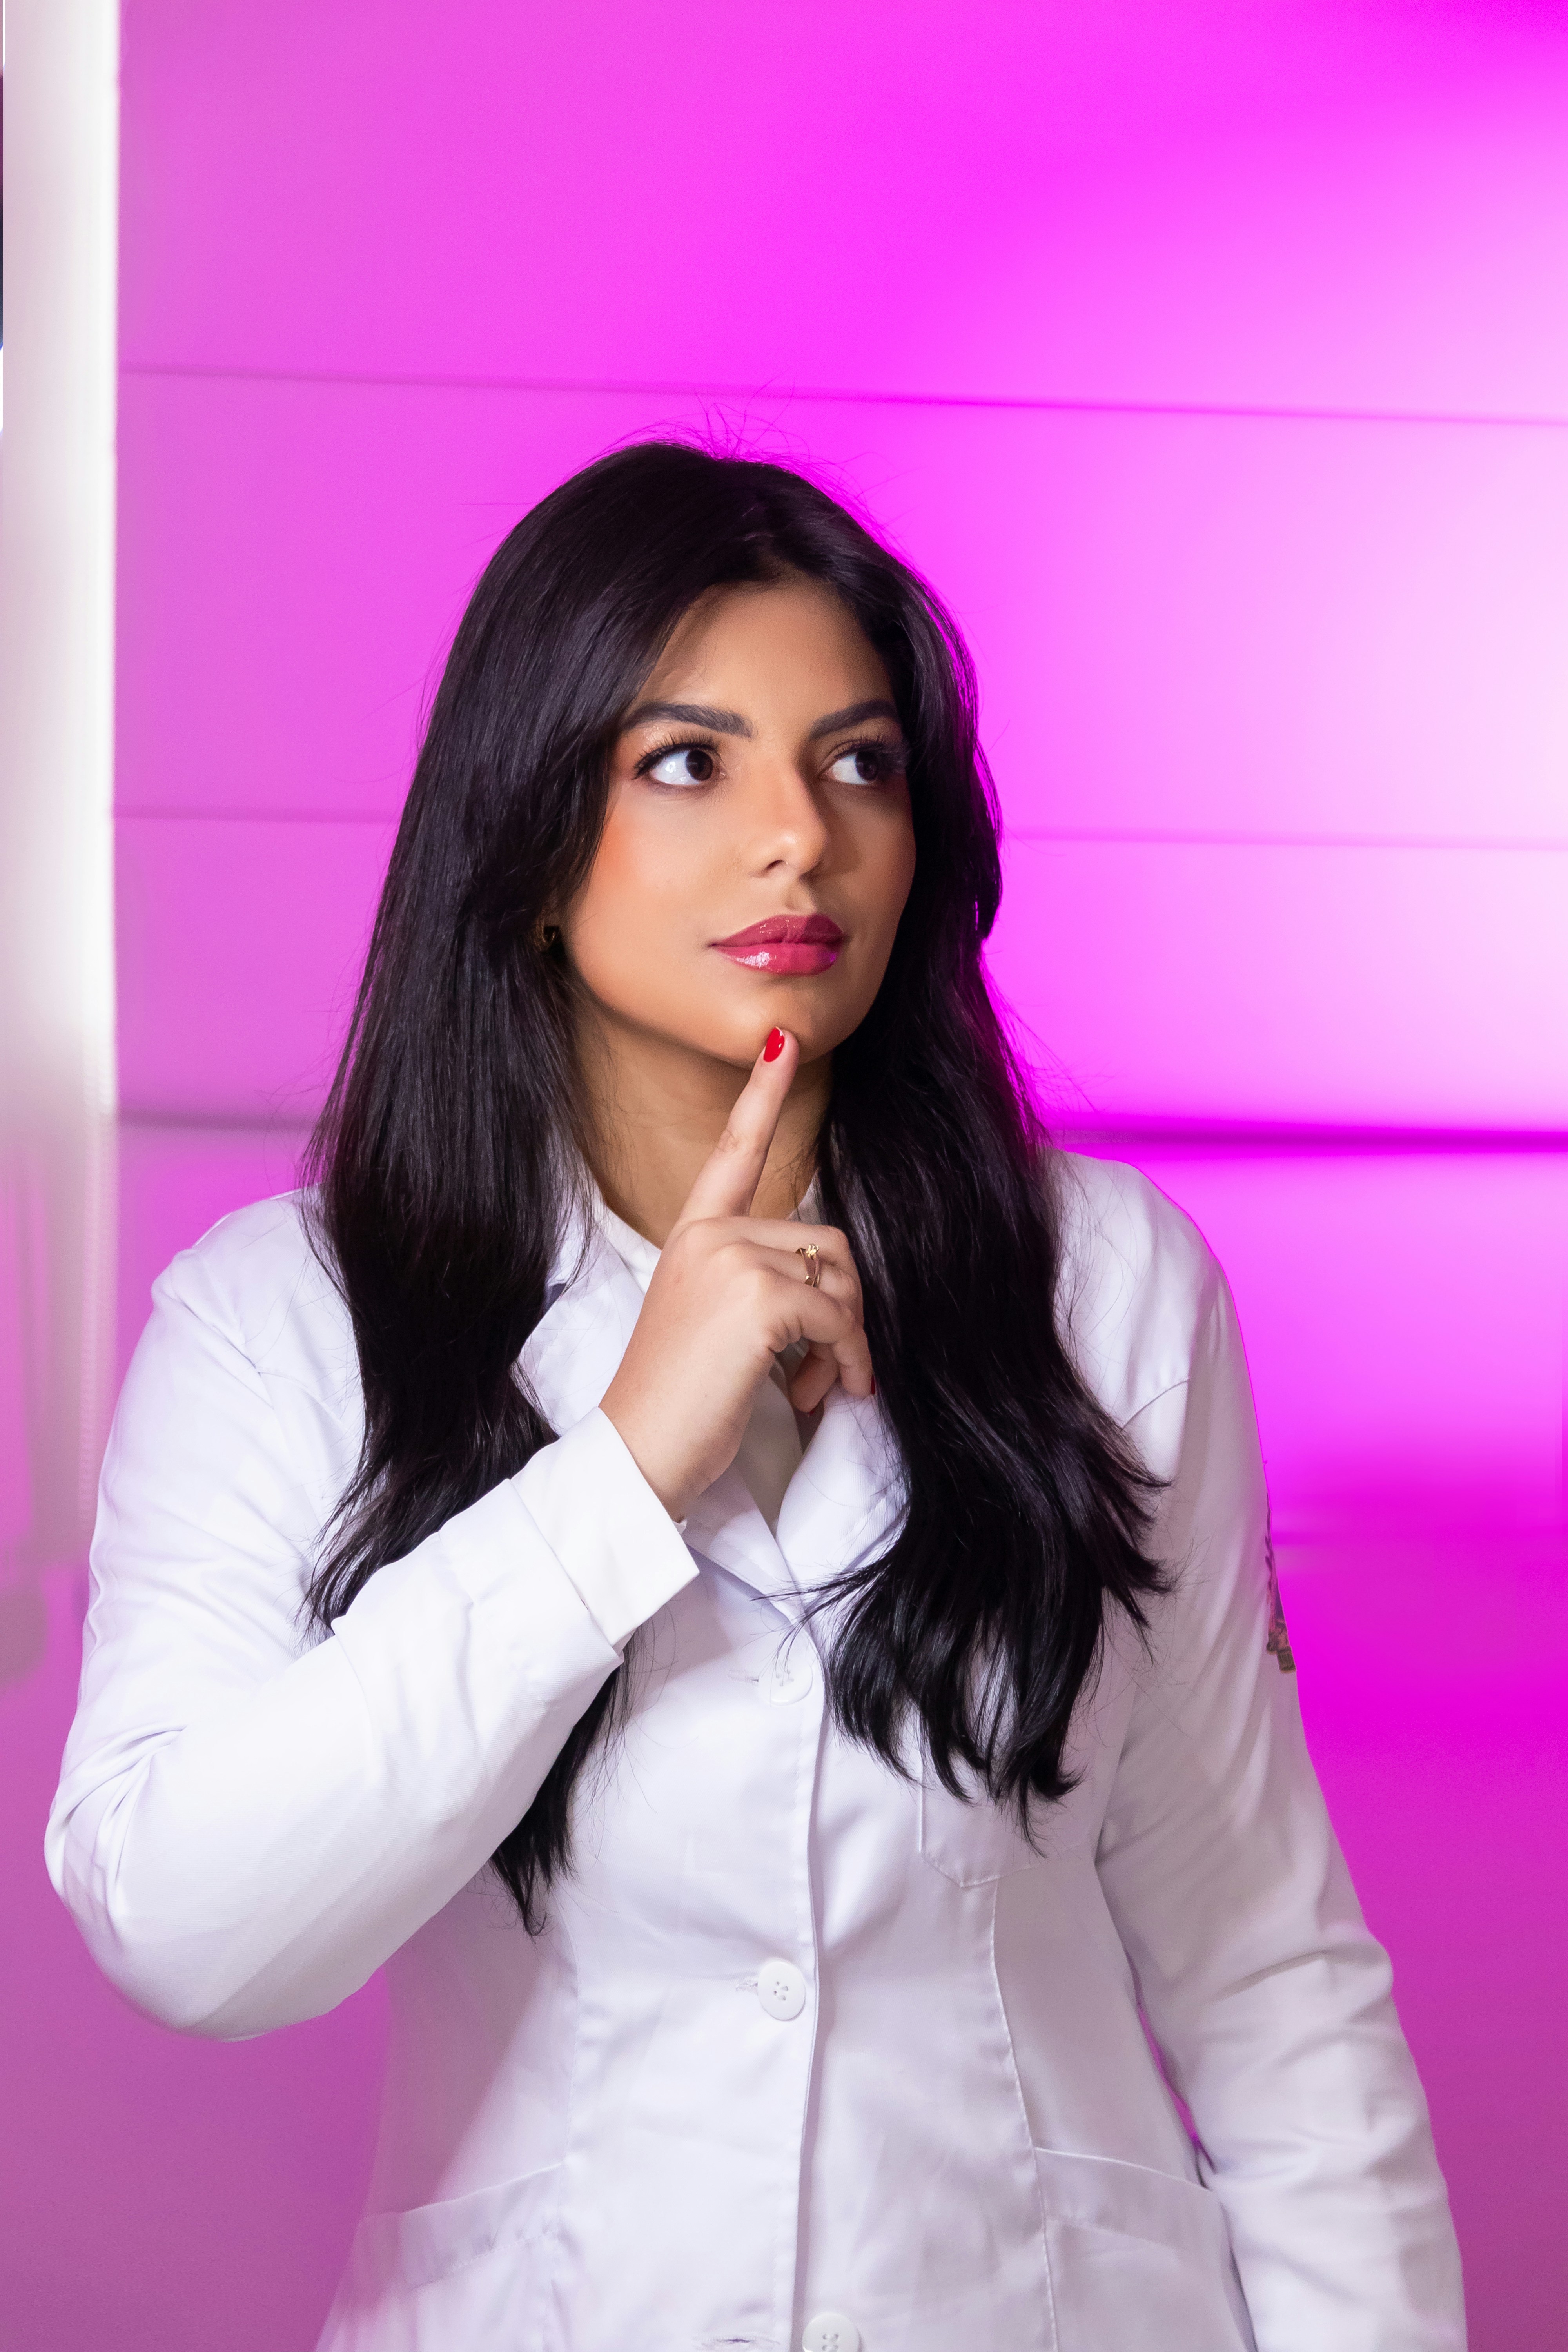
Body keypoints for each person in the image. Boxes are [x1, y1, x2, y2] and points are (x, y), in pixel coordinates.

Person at [47, 443, 1464, 2352]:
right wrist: (622, 1470)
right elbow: (189, 1931)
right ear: (532, 837)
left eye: (858, 761)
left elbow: (1265, 1971)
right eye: (688, 761)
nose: (797, 835)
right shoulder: (281, 1321)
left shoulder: (1108, 1283)